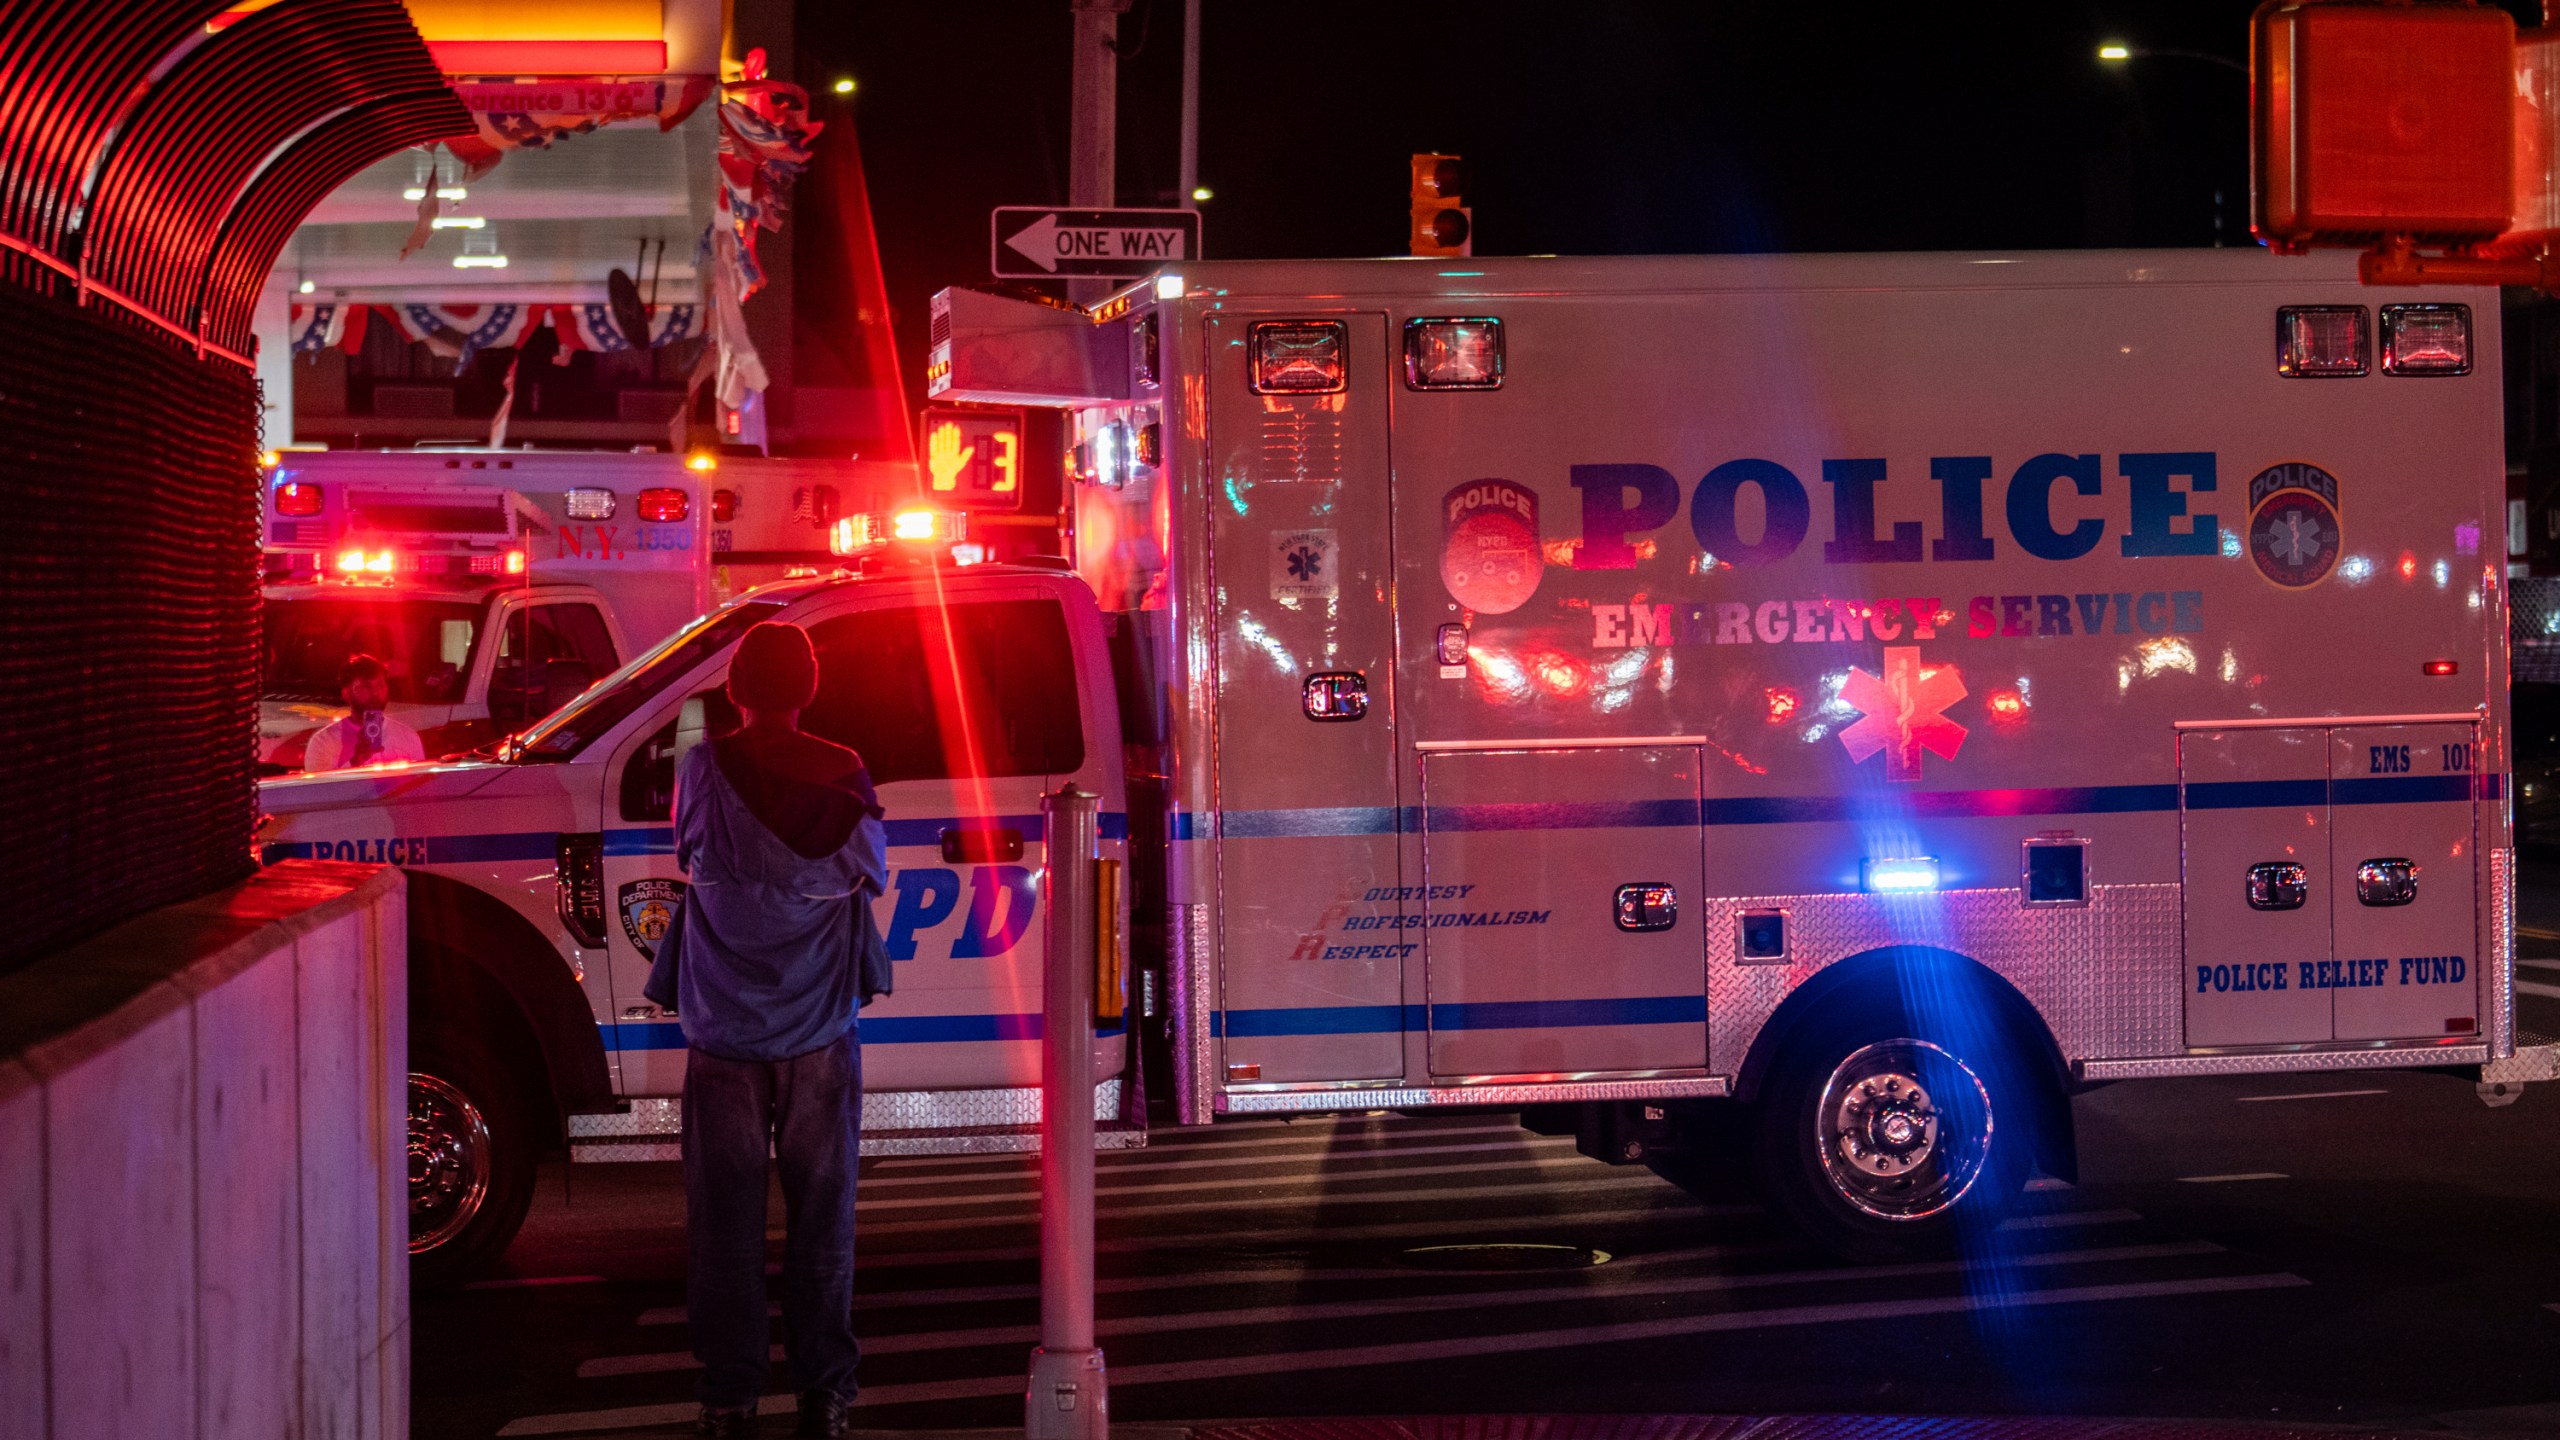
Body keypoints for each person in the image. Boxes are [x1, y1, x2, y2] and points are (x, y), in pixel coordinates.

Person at [642, 622, 887, 1439]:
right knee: (823, 1214)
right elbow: (867, 871)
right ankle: (825, 1393)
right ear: (809, 688)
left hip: (723, 1029)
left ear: (736, 690)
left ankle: (729, 1396)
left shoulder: (703, 769)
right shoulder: (846, 769)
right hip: (819, 1023)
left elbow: (690, 853)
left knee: (725, 1223)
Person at [301, 653, 425, 771]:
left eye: (380, 685)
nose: (375, 694)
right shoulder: (324, 742)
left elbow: (420, 786)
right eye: (365, 686)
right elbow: (321, 791)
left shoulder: (408, 737)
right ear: (347, 693)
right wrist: (355, 762)